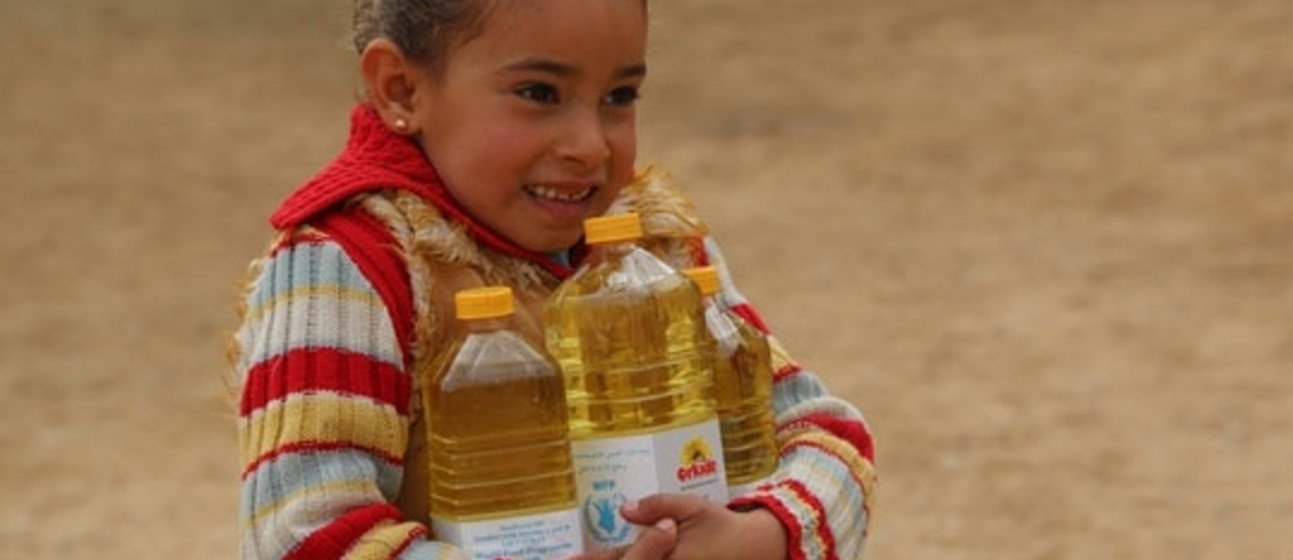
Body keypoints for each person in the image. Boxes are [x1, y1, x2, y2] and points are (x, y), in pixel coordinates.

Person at [229, 1, 875, 559]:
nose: (590, 145)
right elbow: (303, 537)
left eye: (620, 97)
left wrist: (764, 536)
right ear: (401, 89)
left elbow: (825, 433)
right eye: (540, 93)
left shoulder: (656, 247)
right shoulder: (351, 265)